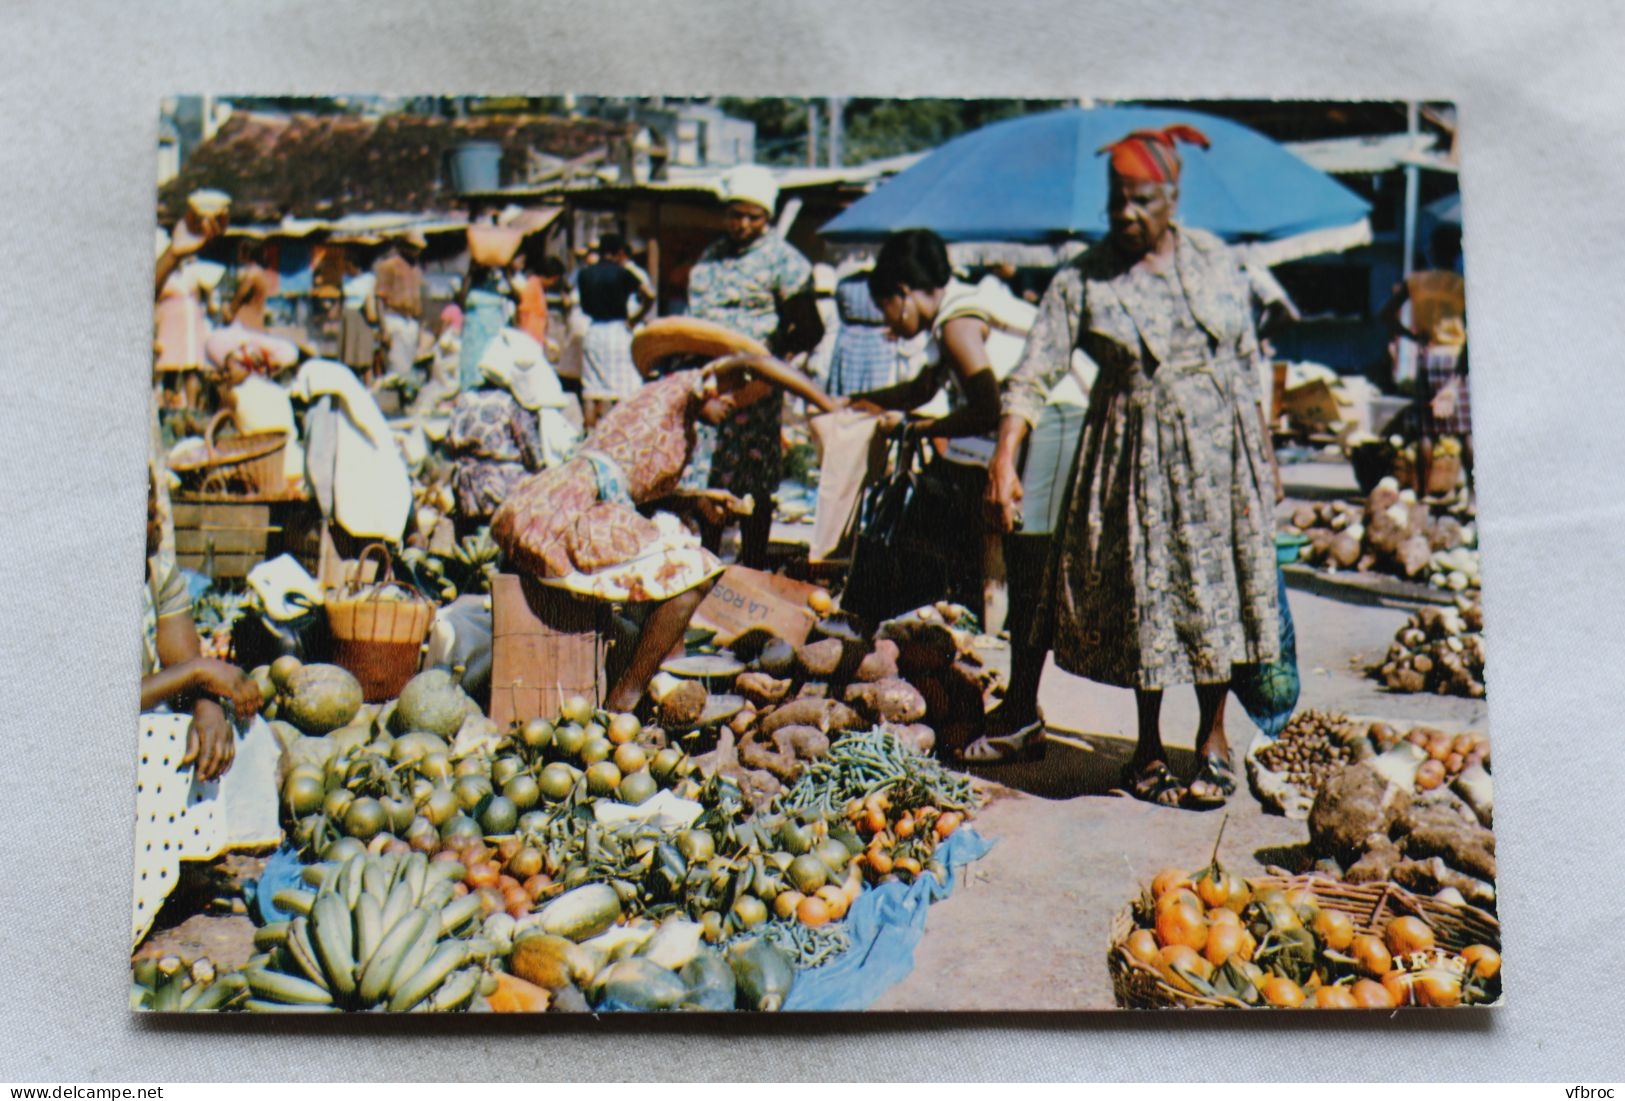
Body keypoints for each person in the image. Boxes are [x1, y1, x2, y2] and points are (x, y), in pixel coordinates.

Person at [983, 125, 1282, 809]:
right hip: (1132, 461)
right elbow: (1030, 375)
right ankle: (1146, 742)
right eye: (1116, 200)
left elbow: (1244, 363)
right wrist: (1004, 457)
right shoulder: (1080, 280)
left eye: (1141, 200)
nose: (1125, 213)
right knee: (1147, 597)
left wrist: (1262, 457)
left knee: (1216, 596)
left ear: (1172, 198)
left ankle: (1211, 735)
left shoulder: (1213, 261)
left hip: (1219, 460)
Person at [492, 335, 839, 713]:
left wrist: (695, 499)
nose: (733, 400)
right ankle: (624, 700)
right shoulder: (678, 387)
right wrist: (828, 405)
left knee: (678, 549)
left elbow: (634, 489)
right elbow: (749, 363)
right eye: (729, 391)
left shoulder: (674, 417)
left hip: (561, 504)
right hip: (567, 510)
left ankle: (646, 678)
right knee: (696, 571)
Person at [848, 229, 1033, 631]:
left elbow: (986, 410)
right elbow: (921, 389)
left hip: (1046, 426)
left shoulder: (957, 323)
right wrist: (862, 400)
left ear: (904, 293)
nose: (888, 323)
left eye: (885, 308)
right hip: (1023, 429)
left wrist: (915, 429)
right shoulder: (950, 316)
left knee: (1000, 542)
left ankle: (991, 627)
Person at [687, 165, 825, 568]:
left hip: (756, 386)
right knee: (709, 476)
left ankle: (751, 563)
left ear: (767, 217)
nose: (743, 224)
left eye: (754, 216)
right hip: (713, 383)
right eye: (736, 215)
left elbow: (809, 327)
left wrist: (771, 367)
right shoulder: (711, 258)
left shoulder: (784, 260)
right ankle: (706, 561)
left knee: (754, 478)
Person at [142, 469, 262, 781]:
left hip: (153, 714)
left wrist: (208, 707)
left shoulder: (159, 574)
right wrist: (201, 671)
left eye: (156, 506)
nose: (158, 518)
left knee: (247, 732)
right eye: (148, 511)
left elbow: (181, 661)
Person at [444, 330, 576, 531]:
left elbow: (449, 446)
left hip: (465, 488)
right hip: (499, 491)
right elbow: (533, 456)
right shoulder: (511, 404)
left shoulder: (466, 398)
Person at [1380, 225, 1470, 498]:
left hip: (1428, 357)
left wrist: (1411, 336)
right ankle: (1475, 499)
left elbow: (1385, 315)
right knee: (1465, 431)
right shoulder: (1463, 286)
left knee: (1426, 432)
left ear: (1431, 250)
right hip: (1456, 358)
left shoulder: (1415, 282)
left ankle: (1423, 495)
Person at [577, 233, 656, 428]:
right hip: (618, 331)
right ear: (620, 252)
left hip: (594, 331)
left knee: (591, 391)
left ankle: (588, 438)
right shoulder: (623, 273)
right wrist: (636, 318)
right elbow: (649, 293)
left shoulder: (585, 273)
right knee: (623, 391)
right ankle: (620, 435)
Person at [367, 230, 427, 384]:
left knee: (408, 365)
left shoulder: (416, 268)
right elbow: (379, 298)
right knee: (396, 365)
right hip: (394, 317)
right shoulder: (389, 266)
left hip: (411, 320)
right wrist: (383, 328)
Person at [514, 247, 567, 359]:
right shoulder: (532, 287)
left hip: (535, 340)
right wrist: (541, 340)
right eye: (554, 279)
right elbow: (526, 318)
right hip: (529, 342)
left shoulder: (538, 287)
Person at [223, 241, 273, 331]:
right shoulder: (259, 272)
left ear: (247, 253)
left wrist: (229, 310)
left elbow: (240, 296)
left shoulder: (252, 274)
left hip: (246, 323)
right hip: (255, 320)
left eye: (240, 250)